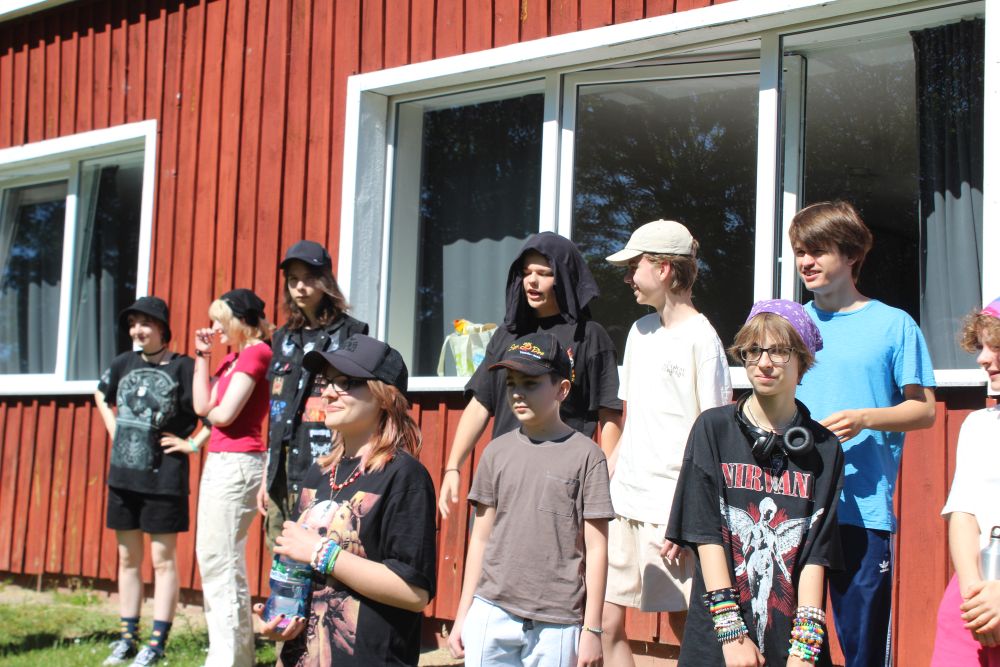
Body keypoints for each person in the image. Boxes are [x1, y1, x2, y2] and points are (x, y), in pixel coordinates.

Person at [789, 201, 936, 667]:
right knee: (792, 649)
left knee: (863, 652)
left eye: (817, 250)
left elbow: (924, 410)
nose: (806, 262)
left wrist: (865, 418)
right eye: (799, 251)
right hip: (792, 508)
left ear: (851, 255)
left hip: (862, 510)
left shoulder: (893, 324)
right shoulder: (790, 326)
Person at [667, 299, 845, 666]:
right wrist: (732, 634)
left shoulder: (825, 450)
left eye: (779, 351)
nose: (763, 363)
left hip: (792, 642)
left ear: (802, 361)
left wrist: (805, 649)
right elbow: (706, 534)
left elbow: (815, 554)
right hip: (719, 637)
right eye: (753, 350)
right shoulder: (712, 430)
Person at [253, 334, 437, 666]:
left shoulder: (404, 476)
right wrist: (281, 618)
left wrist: (321, 553)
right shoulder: (319, 473)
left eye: (345, 382)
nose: (327, 392)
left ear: (383, 396)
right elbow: (298, 569)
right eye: (326, 382)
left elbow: (414, 593)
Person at [601, 219, 732, 664]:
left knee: (687, 624)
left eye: (633, 266)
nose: (627, 278)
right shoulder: (638, 332)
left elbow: (714, 437)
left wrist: (687, 518)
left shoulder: (703, 340)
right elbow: (632, 419)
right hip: (624, 505)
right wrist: (605, 479)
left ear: (663, 268)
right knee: (605, 622)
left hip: (670, 512)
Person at [447, 332, 612, 666]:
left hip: (557, 622)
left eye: (531, 383)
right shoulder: (495, 453)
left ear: (562, 390)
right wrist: (464, 612)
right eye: (511, 383)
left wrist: (592, 629)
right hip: (491, 611)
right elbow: (480, 539)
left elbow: (596, 549)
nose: (517, 393)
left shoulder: (588, 456)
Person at [437, 232, 623, 518]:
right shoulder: (507, 334)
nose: (531, 281)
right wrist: (453, 467)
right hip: (505, 475)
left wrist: (604, 481)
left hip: (560, 481)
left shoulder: (589, 336)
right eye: (526, 273)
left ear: (564, 278)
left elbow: (609, 414)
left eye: (544, 273)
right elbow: (480, 404)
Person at [95, 296, 208, 667]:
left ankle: (156, 643)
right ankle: (127, 639)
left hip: (164, 479)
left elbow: (211, 411)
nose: (137, 330)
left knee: (162, 561)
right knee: (128, 558)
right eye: (133, 324)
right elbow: (100, 393)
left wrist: (193, 444)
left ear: (162, 328)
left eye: (144, 323)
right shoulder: (122, 363)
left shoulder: (184, 367)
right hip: (123, 477)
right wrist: (115, 430)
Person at [260, 240, 368, 546]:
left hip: (326, 462)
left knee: (318, 549)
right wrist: (266, 476)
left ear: (325, 281)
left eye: (309, 278)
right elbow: (276, 412)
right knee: (280, 549)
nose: (300, 287)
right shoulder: (282, 338)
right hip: (281, 468)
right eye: (293, 279)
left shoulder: (351, 333)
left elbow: (360, 401)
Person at [192, 288, 274, 667]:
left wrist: (214, 411)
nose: (214, 327)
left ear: (242, 320)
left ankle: (228, 660)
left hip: (239, 462)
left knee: (221, 561)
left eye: (221, 320)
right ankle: (236, 657)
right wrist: (202, 356)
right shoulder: (231, 359)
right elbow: (202, 406)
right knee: (217, 559)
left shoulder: (256, 353)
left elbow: (223, 415)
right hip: (221, 461)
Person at [930, 298, 1000, 666]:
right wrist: (975, 599)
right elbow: (962, 513)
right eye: (981, 347)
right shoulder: (978, 426)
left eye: (996, 346)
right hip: (972, 606)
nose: (983, 359)